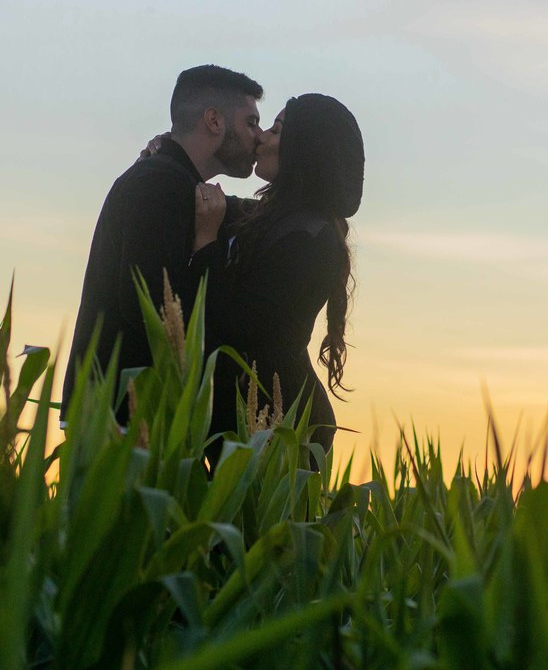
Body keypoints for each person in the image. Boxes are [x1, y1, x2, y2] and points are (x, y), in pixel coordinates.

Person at [61, 65, 264, 427]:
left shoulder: (176, 184)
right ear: (214, 121)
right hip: (124, 418)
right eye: (251, 123)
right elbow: (148, 303)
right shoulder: (160, 184)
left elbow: (252, 213)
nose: (259, 137)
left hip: (126, 411)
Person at [174, 94, 364, 459]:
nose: (261, 136)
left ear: (302, 149)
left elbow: (238, 324)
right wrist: (171, 157)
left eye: (275, 130)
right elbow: (214, 202)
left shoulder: (310, 239)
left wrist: (206, 241)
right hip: (255, 418)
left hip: (285, 425)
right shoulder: (273, 217)